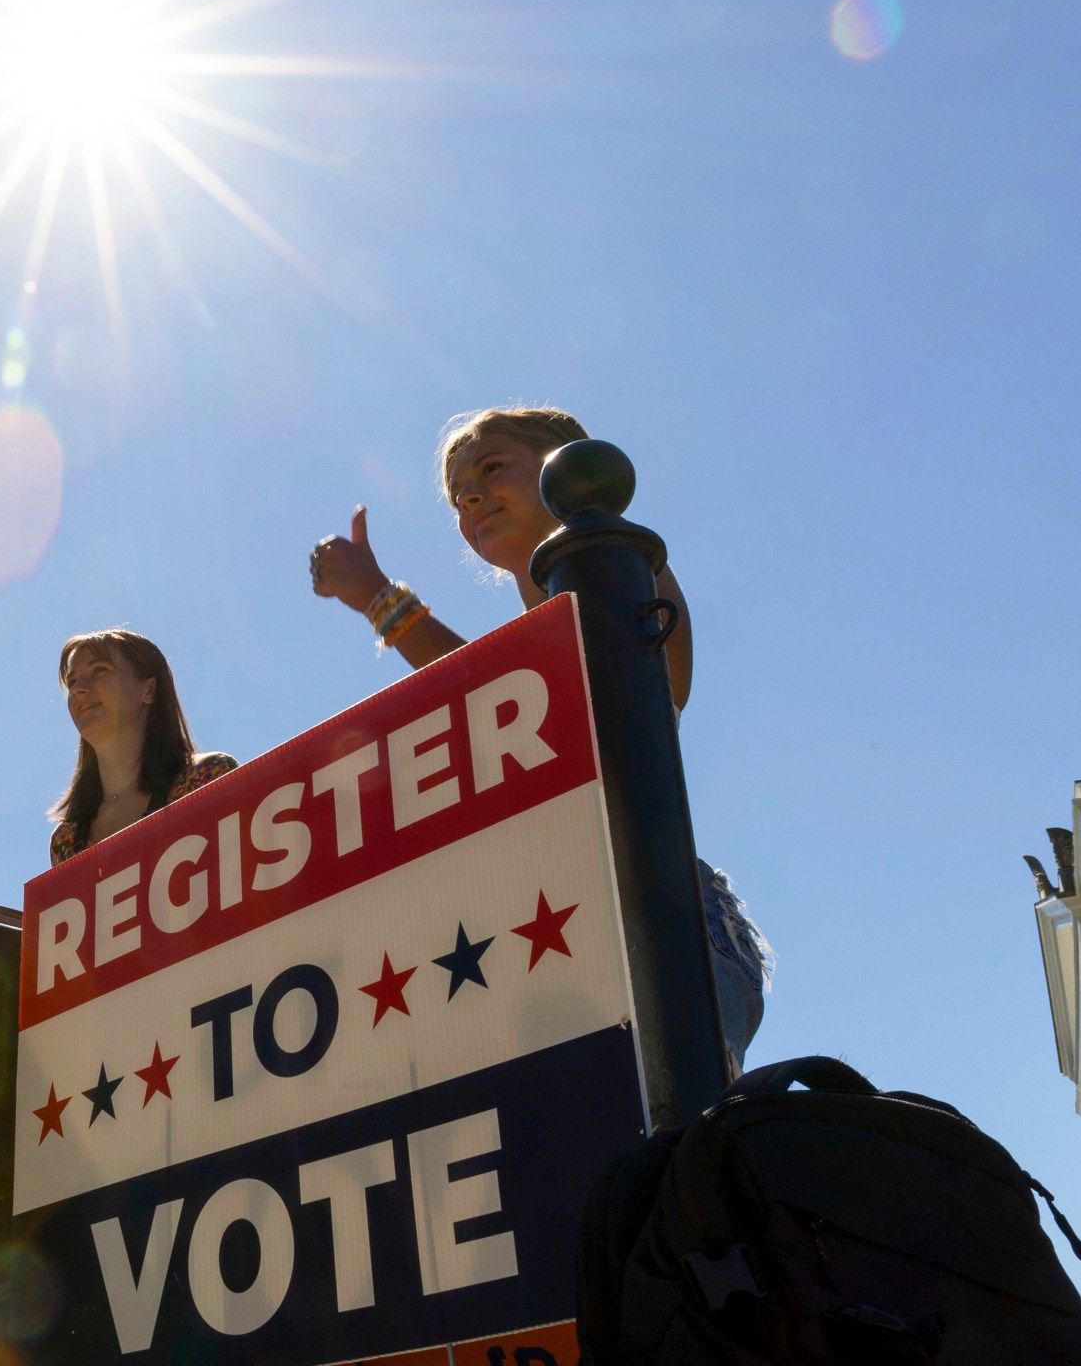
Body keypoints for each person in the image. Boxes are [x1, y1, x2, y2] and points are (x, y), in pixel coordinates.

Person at [306, 405, 772, 1072]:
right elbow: (494, 698)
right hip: (554, 928)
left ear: (569, 465)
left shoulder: (625, 563)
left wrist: (380, 597)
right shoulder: (533, 640)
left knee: (669, 1137)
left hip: (666, 922)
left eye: (492, 468)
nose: (470, 497)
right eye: (458, 494)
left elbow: (512, 696)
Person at [49, 630, 238, 866]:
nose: (79, 689)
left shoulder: (205, 779)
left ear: (148, 690)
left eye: (100, 670)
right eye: (72, 681)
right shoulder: (66, 840)